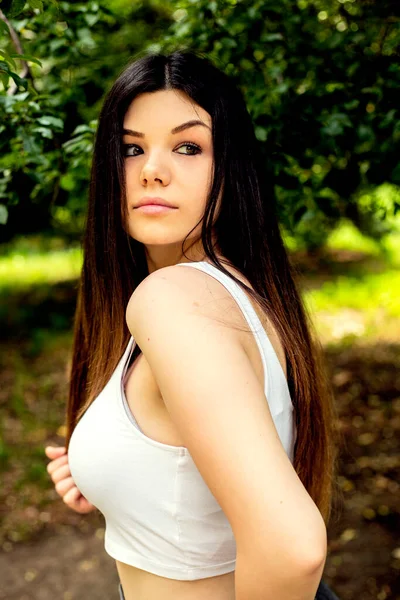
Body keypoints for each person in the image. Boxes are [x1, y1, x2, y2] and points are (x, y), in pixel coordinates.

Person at [44, 50, 342, 600]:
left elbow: (293, 548)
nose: (152, 169)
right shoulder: (240, 295)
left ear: (231, 166)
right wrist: (107, 465)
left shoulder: (174, 299)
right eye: (132, 148)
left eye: (188, 146)